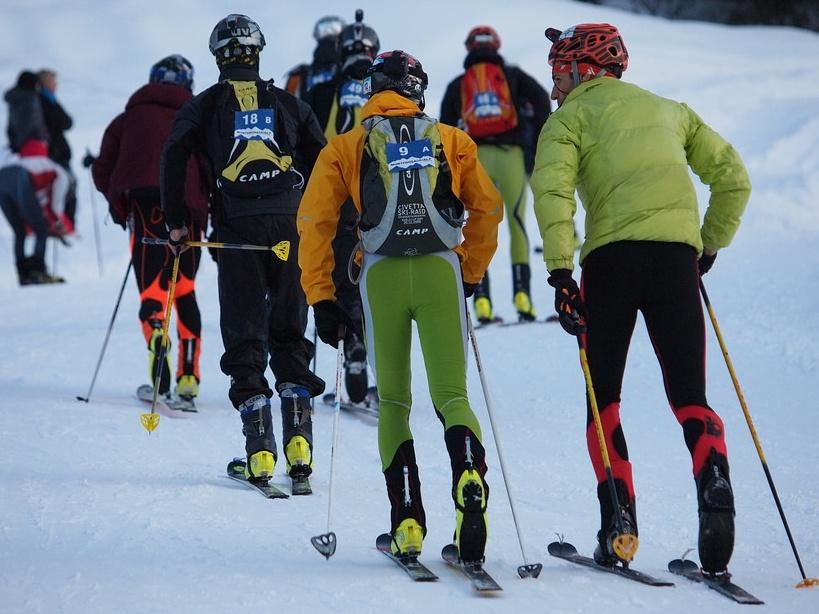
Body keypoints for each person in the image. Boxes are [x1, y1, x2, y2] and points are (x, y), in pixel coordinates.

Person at [532, 23, 751, 576]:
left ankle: (619, 527)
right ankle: (715, 482)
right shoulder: (671, 111)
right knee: (689, 394)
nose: (554, 85)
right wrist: (706, 246)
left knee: (602, 394)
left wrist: (560, 273)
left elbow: (552, 193)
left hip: (610, 262)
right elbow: (733, 178)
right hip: (676, 260)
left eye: (559, 71)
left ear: (583, 68)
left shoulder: (567, 122)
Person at [298, 50, 503, 562]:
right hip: (440, 268)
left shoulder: (348, 144)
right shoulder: (452, 139)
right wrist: (470, 271)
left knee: (394, 402)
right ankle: (470, 480)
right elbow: (488, 208)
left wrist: (322, 297)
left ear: (374, 90)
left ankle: (407, 522)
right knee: (452, 395)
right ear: (418, 90)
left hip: (382, 272)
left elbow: (315, 223)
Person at [161, 14, 327, 488]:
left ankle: (259, 453)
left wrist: (177, 223)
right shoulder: (292, 105)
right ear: (258, 52)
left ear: (218, 56)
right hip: (291, 230)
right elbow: (324, 161)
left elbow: (173, 155)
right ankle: (300, 442)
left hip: (235, 230)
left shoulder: (205, 105)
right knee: (290, 329)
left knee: (245, 332)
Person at [91, 55, 208, 406]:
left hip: (143, 205)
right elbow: (210, 164)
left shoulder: (127, 118)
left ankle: (158, 338)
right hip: (187, 208)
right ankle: (189, 377)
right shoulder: (196, 116)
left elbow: (102, 168)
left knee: (153, 293)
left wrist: (119, 201)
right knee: (184, 288)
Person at [440, 26, 550, 324]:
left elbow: (445, 129)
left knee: (479, 225)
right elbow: (541, 99)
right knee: (516, 223)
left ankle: (483, 301)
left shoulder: (459, 83)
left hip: (476, 158)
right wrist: (534, 139)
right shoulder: (512, 75)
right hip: (511, 156)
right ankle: (522, 296)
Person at [302, 9, 380, 403]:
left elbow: (309, 136)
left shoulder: (322, 83)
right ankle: (374, 358)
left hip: (337, 188)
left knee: (341, 274)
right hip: (380, 191)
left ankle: (349, 346)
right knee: (378, 275)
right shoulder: (388, 81)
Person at [0, 161, 63, 285]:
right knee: (41, 228)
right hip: (19, 176)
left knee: (19, 231)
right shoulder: (58, 174)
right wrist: (55, 220)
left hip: (2, 177)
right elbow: (52, 203)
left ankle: (22, 273)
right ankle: (37, 271)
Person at [37, 69, 78, 233]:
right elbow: (60, 122)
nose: (56, 85)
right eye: (53, 81)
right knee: (65, 188)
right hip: (53, 154)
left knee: (68, 188)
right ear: (45, 82)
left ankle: (66, 225)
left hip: (59, 154)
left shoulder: (51, 100)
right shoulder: (41, 101)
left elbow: (67, 122)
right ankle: (63, 225)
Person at [283, 15, 345, 100]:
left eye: (333, 29)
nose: (328, 32)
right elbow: (286, 102)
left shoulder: (349, 70)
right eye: (324, 30)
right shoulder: (300, 74)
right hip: (306, 110)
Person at [5, 71, 48, 153]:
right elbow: (28, 122)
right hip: (32, 144)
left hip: (19, 142)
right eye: (36, 84)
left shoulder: (16, 98)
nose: (38, 87)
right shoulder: (29, 99)